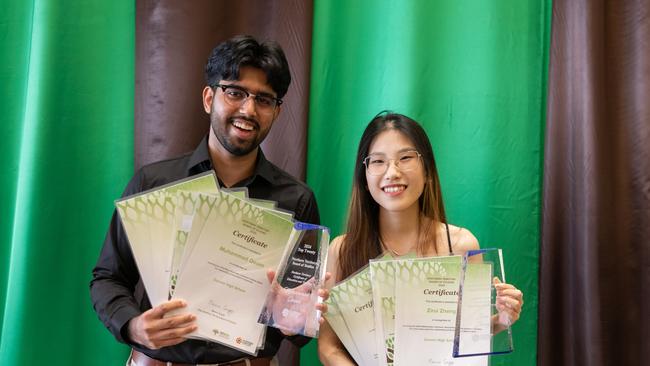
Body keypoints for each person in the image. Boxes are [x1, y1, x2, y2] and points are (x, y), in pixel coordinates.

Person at [90, 35, 327, 366]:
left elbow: (301, 328)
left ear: (276, 112)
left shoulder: (297, 201)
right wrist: (132, 326)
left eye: (264, 99)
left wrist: (294, 318)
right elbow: (108, 277)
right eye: (235, 92)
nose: (248, 109)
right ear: (208, 97)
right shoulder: (154, 184)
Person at [317, 112, 524, 365]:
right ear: (365, 176)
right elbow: (328, 347)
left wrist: (500, 320)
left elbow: (469, 338)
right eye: (378, 161)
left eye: (405, 158)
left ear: (427, 171)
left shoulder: (461, 246)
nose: (392, 172)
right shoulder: (342, 249)